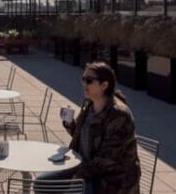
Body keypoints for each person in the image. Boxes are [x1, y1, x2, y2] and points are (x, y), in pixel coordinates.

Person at [38, 61, 141, 194]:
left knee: (72, 191)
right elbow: (83, 135)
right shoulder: (89, 104)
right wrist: (69, 124)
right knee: (42, 183)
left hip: (112, 180)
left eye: (89, 80)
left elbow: (108, 159)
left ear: (104, 85)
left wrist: (78, 176)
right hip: (86, 169)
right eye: (83, 79)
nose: (84, 84)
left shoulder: (119, 115)